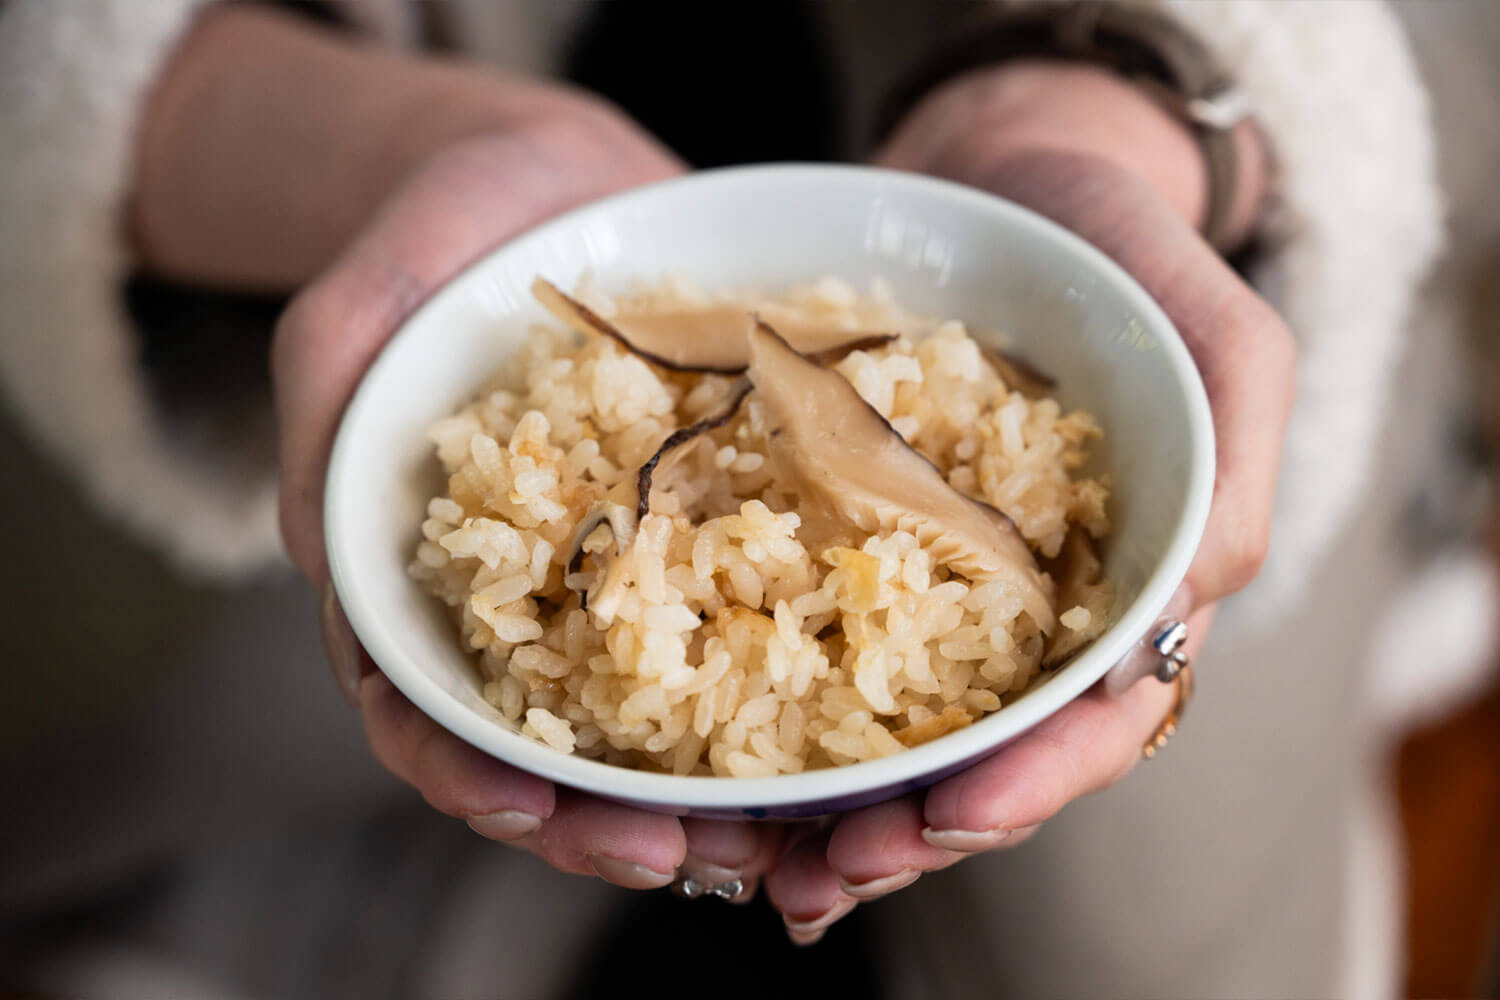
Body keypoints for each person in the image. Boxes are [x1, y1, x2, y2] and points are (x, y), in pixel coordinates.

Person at [2, 2, 1484, 997]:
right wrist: (371, 140)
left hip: (1095, 97)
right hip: (365, 132)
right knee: (172, 718)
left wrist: (1139, 97)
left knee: (1138, 929)